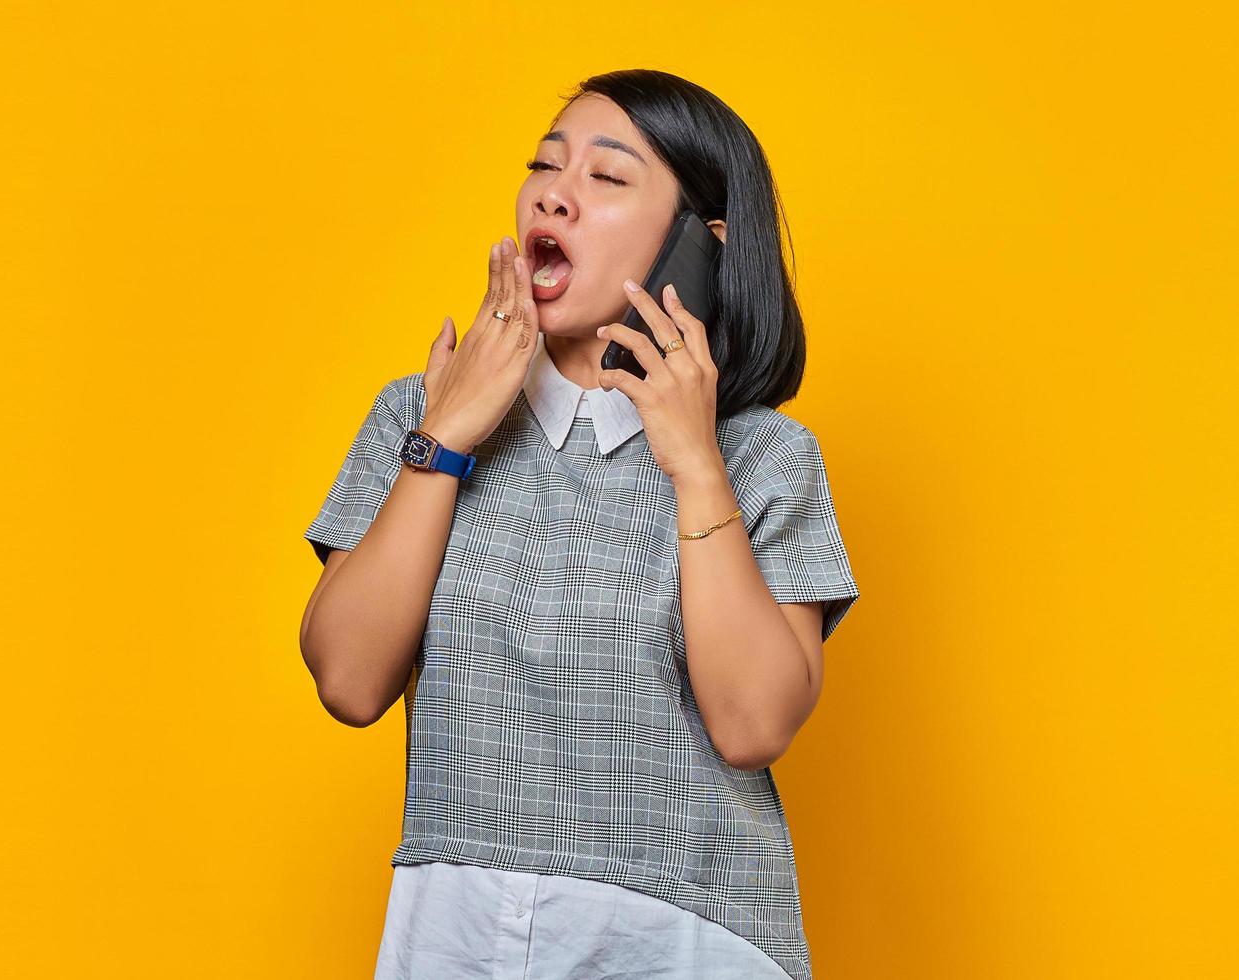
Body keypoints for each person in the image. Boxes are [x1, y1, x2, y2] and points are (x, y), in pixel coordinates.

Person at [299, 69, 860, 980]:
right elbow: (350, 681)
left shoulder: (763, 458)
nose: (553, 191)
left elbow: (754, 723)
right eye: (544, 166)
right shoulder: (420, 413)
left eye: (607, 177)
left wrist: (693, 463)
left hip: (685, 943)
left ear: (700, 248)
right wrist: (445, 436)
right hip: (457, 937)